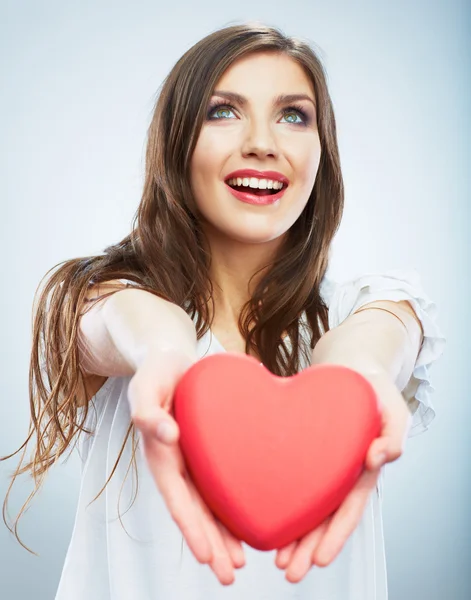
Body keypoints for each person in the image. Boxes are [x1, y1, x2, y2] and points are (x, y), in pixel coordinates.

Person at [1, 22, 446, 600]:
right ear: (176, 141)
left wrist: (357, 384)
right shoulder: (98, 298)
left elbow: (376, 342)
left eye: (294, 115)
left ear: (322, 151)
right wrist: (165, 351)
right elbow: (121, 319)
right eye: (223, 111)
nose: (263, 142)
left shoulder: (373, 306)